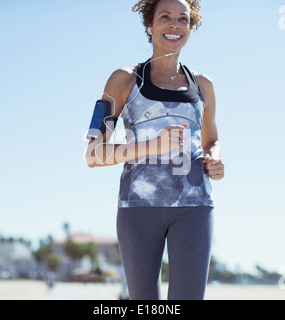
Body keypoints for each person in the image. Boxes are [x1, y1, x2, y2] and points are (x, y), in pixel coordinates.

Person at [85, 0, 225, 300]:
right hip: (138, 210)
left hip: (195, 208)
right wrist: (150, 146)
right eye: (165, 17)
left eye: (183, 19)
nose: (175, 24)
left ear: (191, 26)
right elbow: (93, 154)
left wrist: (216, 158)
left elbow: (212, 140)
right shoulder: (123, 80)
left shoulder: (204, 85)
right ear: (150, 24)